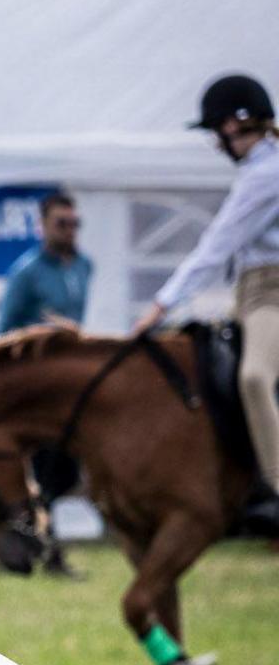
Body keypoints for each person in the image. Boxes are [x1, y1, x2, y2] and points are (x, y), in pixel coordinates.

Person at [136, 73, 279, 531]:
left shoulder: (266, 175)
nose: (217, 144)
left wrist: (161, 307)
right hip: (249, 292)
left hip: (271, 293)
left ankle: (275, 488)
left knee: (255, 378)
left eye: (217, 132)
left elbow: (213, 248)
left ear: (235, 125)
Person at [0, 192, 93, 334]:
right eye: (61, 224)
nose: (69, 230)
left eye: (74, 224)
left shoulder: (84, 265)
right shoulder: (26, 272)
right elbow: (3, 330)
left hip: (74, 352)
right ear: (43, 224)